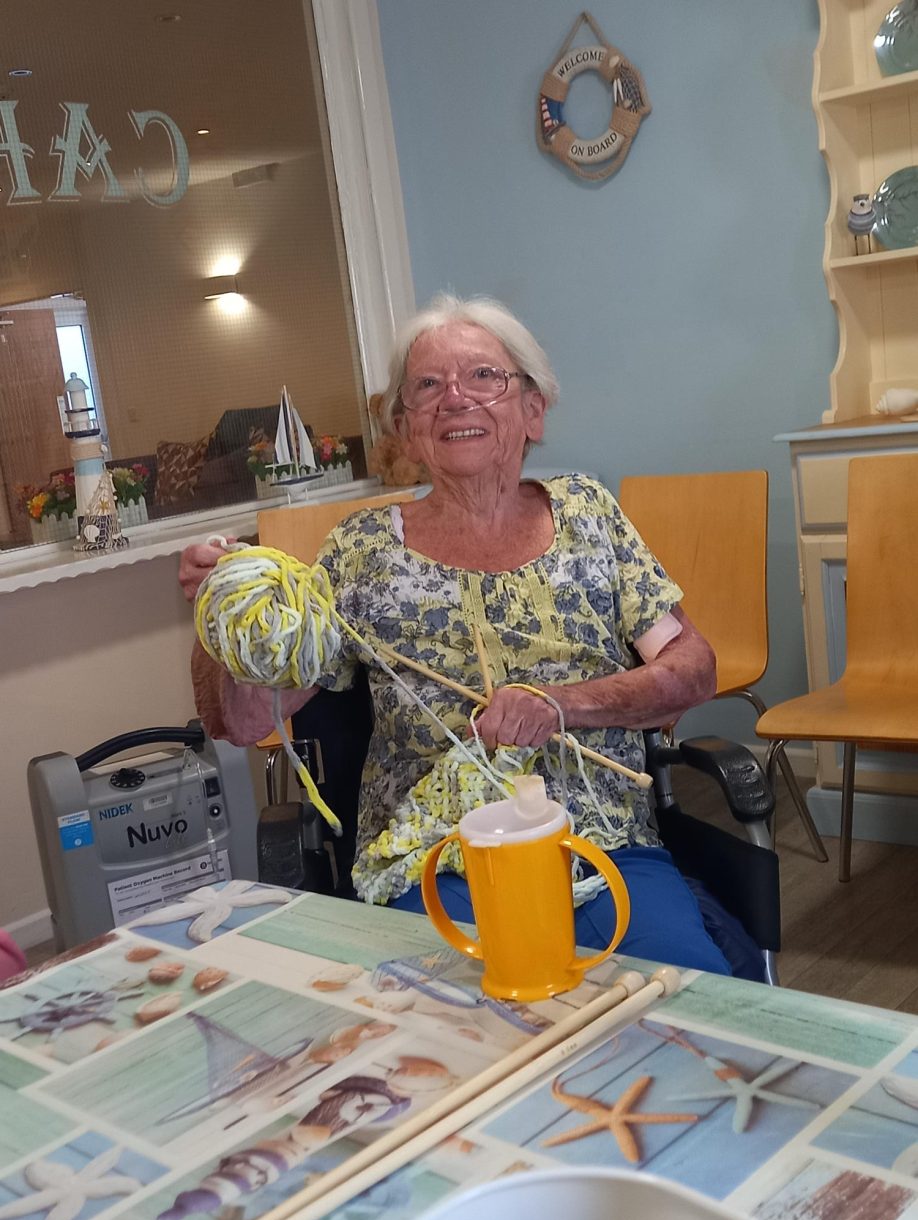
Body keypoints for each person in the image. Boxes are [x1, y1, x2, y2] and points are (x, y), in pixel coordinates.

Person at [181, 293, 742, 977]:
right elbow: (243, 719)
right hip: (437, 857)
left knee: (682, 1001)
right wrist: (225, 611)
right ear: (407, 428)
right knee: (447, 1025)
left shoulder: (588, 514)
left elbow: (692, 671)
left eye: (484, 377)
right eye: (427, 386)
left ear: (533, 410)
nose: (455, 399)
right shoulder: (362, 553)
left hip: (600, 844)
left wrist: (562, 703)